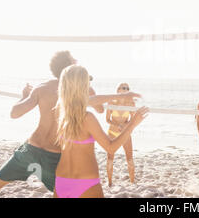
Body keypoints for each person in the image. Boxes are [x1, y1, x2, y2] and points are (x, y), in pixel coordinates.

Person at [0, 51, 106, 198]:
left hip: (31, 150)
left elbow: (15, 113)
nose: (77, 61)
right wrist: (90, 90)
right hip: (54, 156)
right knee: (71, 191)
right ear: (69, 67)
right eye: (74, 60)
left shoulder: (41, 88)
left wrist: (24, 96)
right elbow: (100, 109)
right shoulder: (81, 89)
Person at [53, 65, 148, 198]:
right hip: (86, 184)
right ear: (82, 87)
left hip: (61, 181)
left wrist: (120, 95)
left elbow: (91, 100)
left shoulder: (60, 110)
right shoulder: (87, 118)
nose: (89, 86)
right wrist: (133, 123)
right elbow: (111, 147)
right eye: (87, 83)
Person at [106, 83, 136, 186]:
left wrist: (124, 126)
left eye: (128, 88)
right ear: (118, 90)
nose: (126, 89)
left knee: (130, 158)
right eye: (124, 88)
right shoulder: (111, 102)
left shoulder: (131, 103)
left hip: (125, 132)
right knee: (110, 158)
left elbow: (133, 120)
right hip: (112, 132)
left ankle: (132, 182)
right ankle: (110, 182)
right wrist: (117, 125)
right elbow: (107, 120)